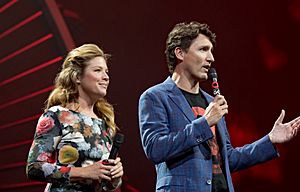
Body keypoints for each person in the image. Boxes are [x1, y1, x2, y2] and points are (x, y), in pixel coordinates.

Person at [138, 21, 300, 192]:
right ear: (180, 53)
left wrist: (270, 140)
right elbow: (155, 149)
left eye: (211, 51)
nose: (211, 58)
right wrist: (205, 122)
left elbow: (228, 158)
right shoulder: (155, 97)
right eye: (203, 49)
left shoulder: (211, 102)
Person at [26, 44, 123, 192]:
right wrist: (84, 172)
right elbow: (34, 167)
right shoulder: (57, 116)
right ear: (77, 76)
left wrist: (115, 177)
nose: (106, 77)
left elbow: (105, 184)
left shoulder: (105, 124)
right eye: (98, 70)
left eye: (106, 72)